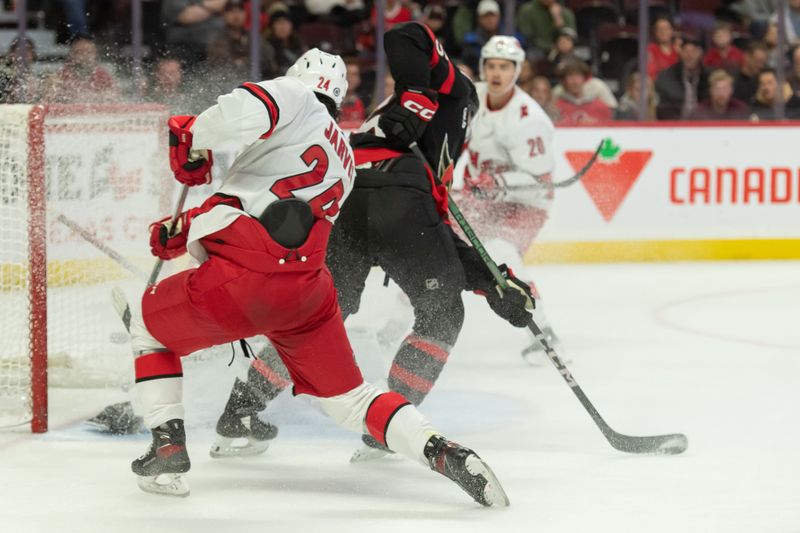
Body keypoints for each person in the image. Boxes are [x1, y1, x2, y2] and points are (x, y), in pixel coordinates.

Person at [126, 48, 509, 507]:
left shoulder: (292, 96)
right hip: (308, 294)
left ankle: (167, 447)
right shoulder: (344, 157)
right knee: (351, 399)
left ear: (296, 78)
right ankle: (440, 448)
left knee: (147, 329)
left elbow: (232, 118)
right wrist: (186, 225)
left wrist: (191, 139)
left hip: (246, 278)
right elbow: (274, 214)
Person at [210, 22, 534, 463]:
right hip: (397, 200)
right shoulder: (457, 97)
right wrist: (420, 95)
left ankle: (240, 412)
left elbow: (432, 239)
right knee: (441, 314)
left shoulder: (382, 125)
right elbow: (408, 34)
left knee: (322, 312)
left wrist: (494, 283)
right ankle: (388, 431)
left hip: (346, 200)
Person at [457, 35, 560, 361]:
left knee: (502, 251)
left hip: (525, 203)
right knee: (433, 243)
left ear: (517, 70)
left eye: (504, 66)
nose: (496, 73)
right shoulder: (474, 96)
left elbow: (539, 182)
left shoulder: (530, 119)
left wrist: (497, 181)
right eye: (491, 66)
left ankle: (543, 333)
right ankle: (397, 321)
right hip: (481, 196)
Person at [43, 37, 119, 104]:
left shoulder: (102, 76)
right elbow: (48, 101)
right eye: (80, 52)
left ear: (95, 55)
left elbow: (114, 100)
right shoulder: (60, 75)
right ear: (72, 55)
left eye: (89, 52)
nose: (84, 55)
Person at [655, 36, 708, 120]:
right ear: (681, 53)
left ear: (700, 53)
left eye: (693, 51)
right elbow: (664, 108)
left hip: (704, 126)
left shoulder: (708, 76)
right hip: (676, 126)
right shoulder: (667, 76)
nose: (689, 55)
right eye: (686, 51)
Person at [552, 59, 616, 125]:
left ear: (584, 78)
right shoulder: (556, 98)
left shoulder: (597, 90)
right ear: (563, 81)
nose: (575, 82)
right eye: (570, 76)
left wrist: (596, 123)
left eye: (578, 76)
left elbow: (611, 120)